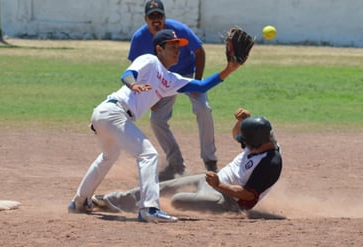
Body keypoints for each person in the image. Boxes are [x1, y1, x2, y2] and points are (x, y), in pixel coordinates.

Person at [67, 29, 242, 223]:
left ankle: (79, 201)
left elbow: (200, 86)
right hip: (113, 112)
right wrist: (133, 85)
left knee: (108, 157)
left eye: (179, 47)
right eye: (172, 46)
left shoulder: (170, 79)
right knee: (148, 154)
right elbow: (128, 74)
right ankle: (149, 208)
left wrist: (230, 69)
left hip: (109, 116)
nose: (178, 50)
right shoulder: (149, 60)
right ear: (159, 49)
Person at [91, 108, 283, 214]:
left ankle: (150, 209)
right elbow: (236, 135)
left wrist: (219, 185)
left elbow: (248, 195)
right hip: (213, 182)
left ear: (256, 140)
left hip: (227, 201)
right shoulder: (260, 142)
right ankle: (113, 201)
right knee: (163, 186)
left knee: (178, 200)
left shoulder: (271, 164)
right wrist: (242, 122)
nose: (241, 140)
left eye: (245, 138)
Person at [128, 0, 218, 180]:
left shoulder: (179, 29)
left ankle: (210, 161)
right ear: (145, 19)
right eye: (152, 17)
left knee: (203, 108)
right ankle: (176, 164)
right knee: (157, 120)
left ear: (164, 17)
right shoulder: (139, 38)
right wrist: (150, 96)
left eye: (159, 16)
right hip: (161, 80)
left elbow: (199, 51)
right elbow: (137, 69)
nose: (156, 20)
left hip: (186, 74)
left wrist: (197, 82)